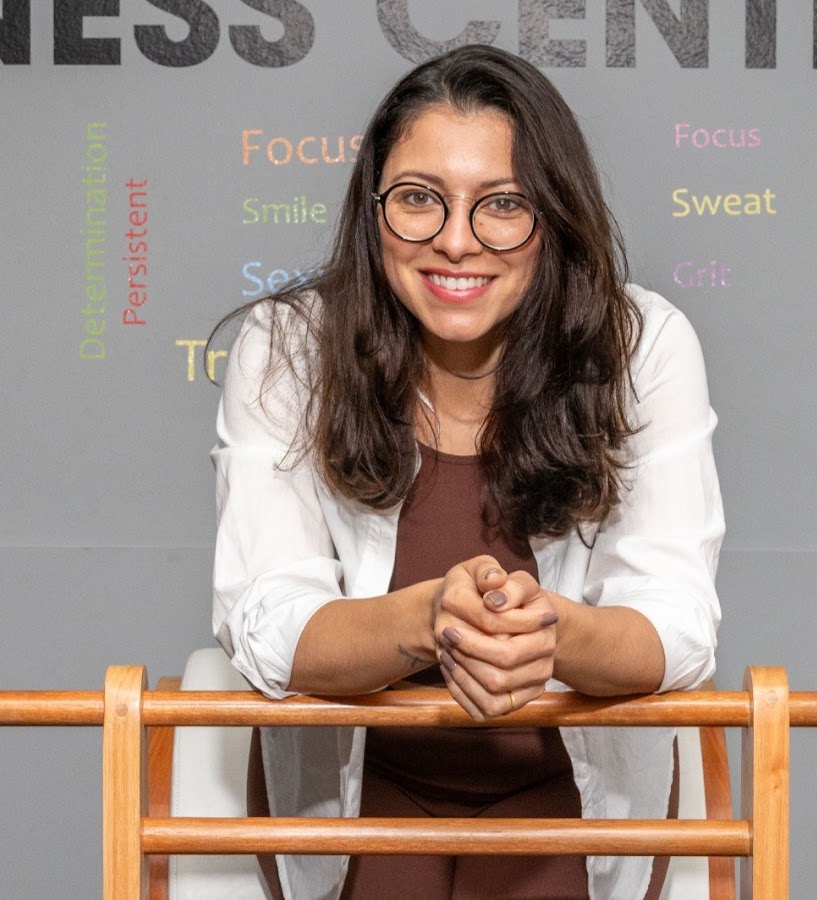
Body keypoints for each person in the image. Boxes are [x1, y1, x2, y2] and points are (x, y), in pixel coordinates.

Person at [212, 44, 723, 900]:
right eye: (419, 198)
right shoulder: (287, 348)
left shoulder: (644, 347)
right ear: (373, 206)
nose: (456, 241)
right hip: (358, 791)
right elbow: (267, 621)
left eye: (503, 204)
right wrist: (426, 620)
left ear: (553, 216)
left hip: (570, 793)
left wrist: (552, 633)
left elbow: (676, 624)